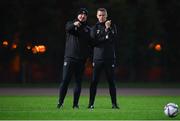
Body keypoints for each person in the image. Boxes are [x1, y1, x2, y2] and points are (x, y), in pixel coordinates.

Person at [57, 8, 91, 109]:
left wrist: (88, 57)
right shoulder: (70, 24)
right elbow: (67, 28)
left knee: (78, 82)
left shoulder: (88, 29)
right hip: (70, 58)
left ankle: (75, 104)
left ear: (86, 17)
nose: (82, 16)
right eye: (81, 14)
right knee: (65, 81)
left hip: (81, 60)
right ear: (77, 15)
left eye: (84, 15)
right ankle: (60, 103)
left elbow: (90, 44)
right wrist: (74, 25)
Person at [88, 8, 119, 109]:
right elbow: (93, 42)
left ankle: (114, 104)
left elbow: (114, 39)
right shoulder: (94, 27)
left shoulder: (112, 26)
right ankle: (91, 104)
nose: (102, 17)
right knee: (94, 82)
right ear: (97, 16)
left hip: (109, 58)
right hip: (98, 59)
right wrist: (106, 34)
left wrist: (108, 29)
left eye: (103, 15)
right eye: (100, 15)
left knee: (111, 82)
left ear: (106, 16)